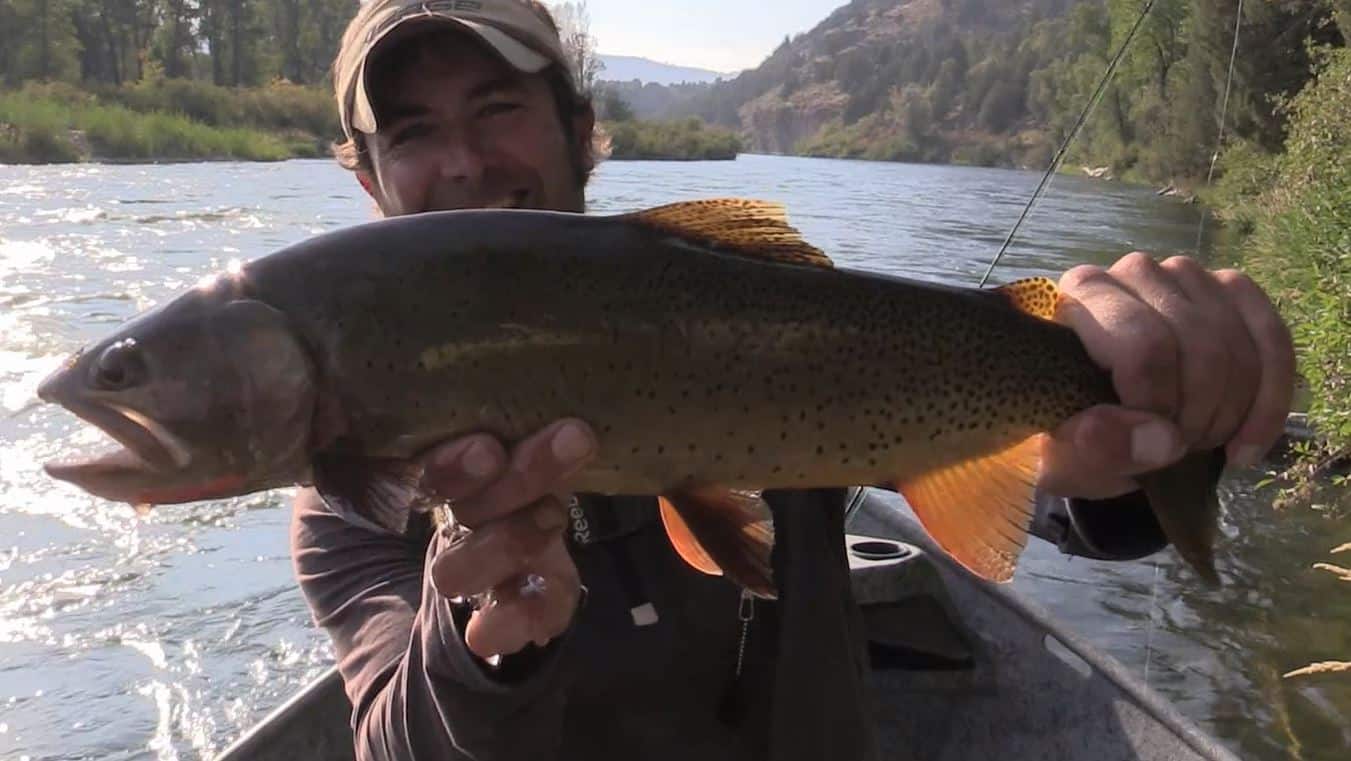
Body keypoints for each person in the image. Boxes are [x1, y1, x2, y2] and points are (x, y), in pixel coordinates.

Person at [289, 1, 1297, 759]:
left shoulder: (768, 324)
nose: (462, 160)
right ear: (369, 178)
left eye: (498, 106)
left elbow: (1062, 493)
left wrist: (1160, 409)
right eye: (413, 131)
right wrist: (478, 641)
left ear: (581, 128)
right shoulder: (355, 481)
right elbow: (392, 741)